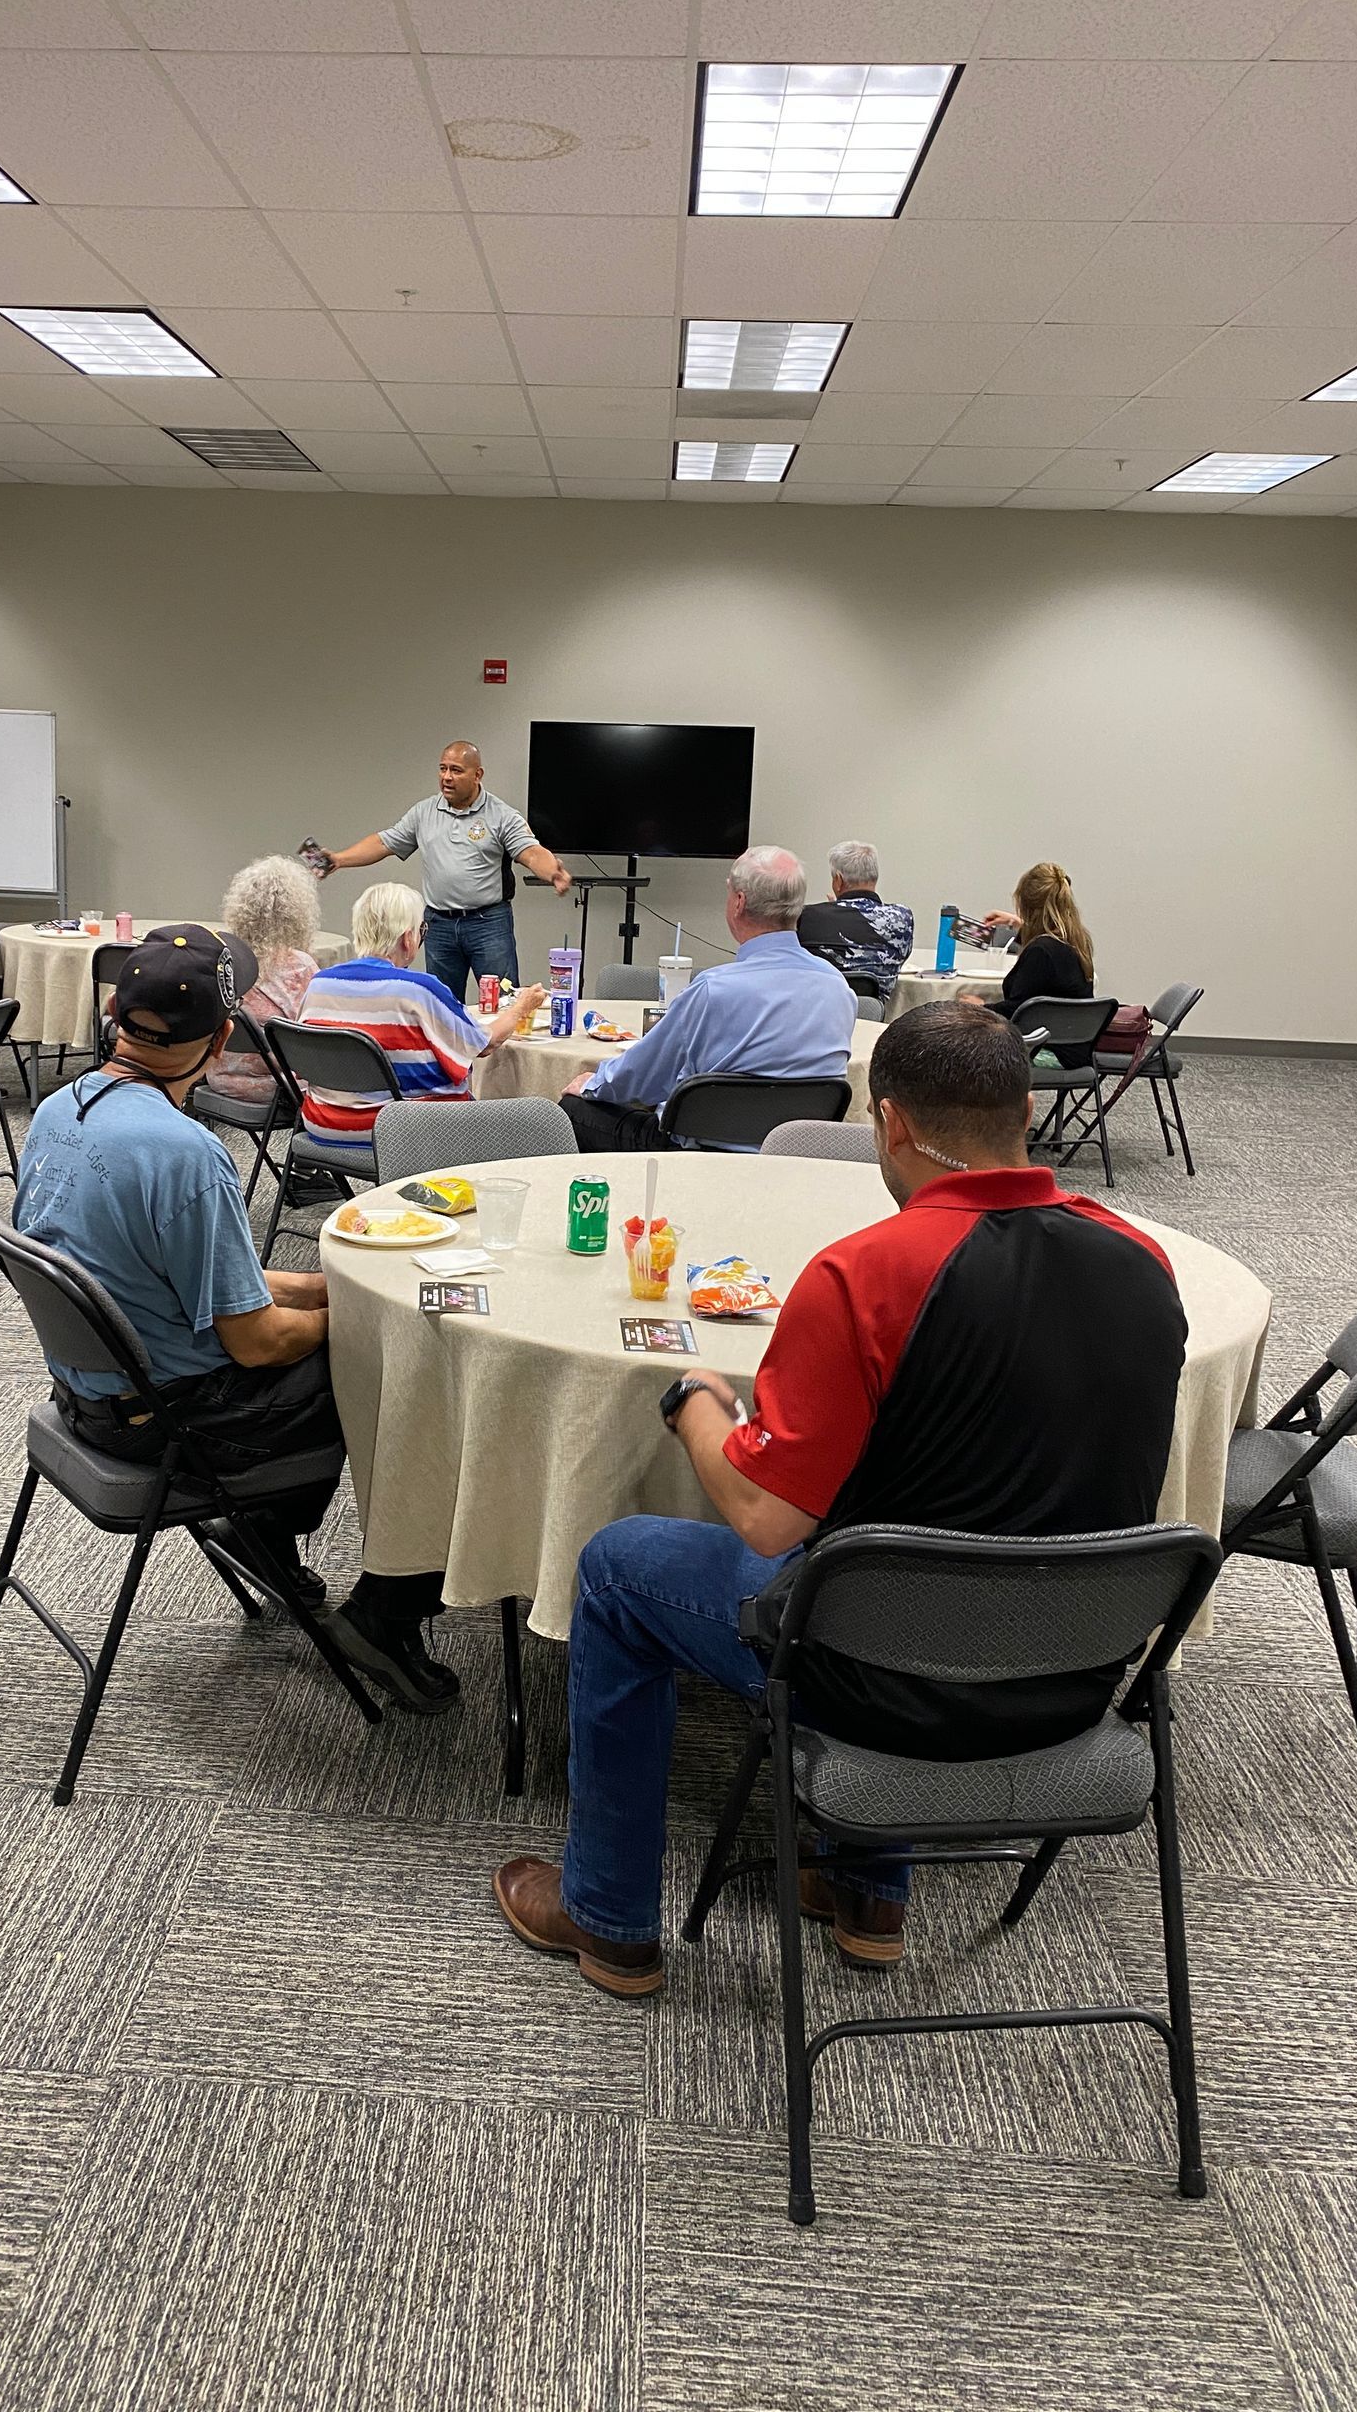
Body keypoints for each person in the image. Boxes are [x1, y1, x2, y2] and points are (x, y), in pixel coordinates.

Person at [493, 1000, 1186, 1996]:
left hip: (876, 1678)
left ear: (890, 1120)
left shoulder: (864, 1275)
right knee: (934, 1510)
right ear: (1027, 1112)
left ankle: (608, 1918)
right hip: (1076, 1679)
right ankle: (868, 1894)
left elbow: (767, 1518)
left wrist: (697, 1406)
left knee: (617, 1563)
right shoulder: (1144, 1261)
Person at [14, 927, 461, 1712]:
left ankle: (264, 1534)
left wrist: (337, 1285)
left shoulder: (61, 1110)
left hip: (92, 1398)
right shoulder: (184, 1153)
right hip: (180, 1422)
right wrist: (377, 1315)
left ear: (117, 1012)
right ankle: (386, 1616)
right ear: (221, 1039)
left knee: (351, 1336)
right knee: (434, 1375)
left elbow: (207, 1280)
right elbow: (255, 1341)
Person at [558, 848, 855, 1153]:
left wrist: (591, 1084)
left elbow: (644, 1078)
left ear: (738, 903)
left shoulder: (714, 990)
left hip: (701, 1158)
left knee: (573, 1110)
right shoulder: (838, 989)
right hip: (797, 1158)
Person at [293, 881, 542, 1159]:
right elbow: (484, 1044)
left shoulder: (319, 983)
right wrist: (522, 1007)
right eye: (423, 930)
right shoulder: (419, 990)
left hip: (322, 1126)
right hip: (403, 1132)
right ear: (407, 938)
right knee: (529, 1121)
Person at [312, 740, 571, 1003]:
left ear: (477, 775)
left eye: (456, 770)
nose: (447, 777)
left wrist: (553, 872)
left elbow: (530, 851)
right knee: (440, 1003)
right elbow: (384, 842)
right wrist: (339, 859)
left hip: (489, 924)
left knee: (503, 1000)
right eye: (443, 769)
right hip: (439, 925)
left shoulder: (502, 815)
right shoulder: (424, 812)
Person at [204, 856, 322, 1106]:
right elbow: (314, 1039)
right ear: (298, 914)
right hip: (278, 1086)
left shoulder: (220, 956)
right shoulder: (299, 967)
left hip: (217, 1078)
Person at [795, 840, 912, 1001]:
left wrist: (834, 909)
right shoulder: (902, 918)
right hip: (871, 1017)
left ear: (838, 880)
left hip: (819, 1014)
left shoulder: (807, 916)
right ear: (875, 877)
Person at [976, 862, 1095, 1014]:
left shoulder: (1040, 952)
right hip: (1071, 1033)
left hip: (1036, 1034)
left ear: (1025, 905)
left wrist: (981, 1007)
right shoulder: (1077, 940)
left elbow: (1017, 1009)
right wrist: (1015, 922)